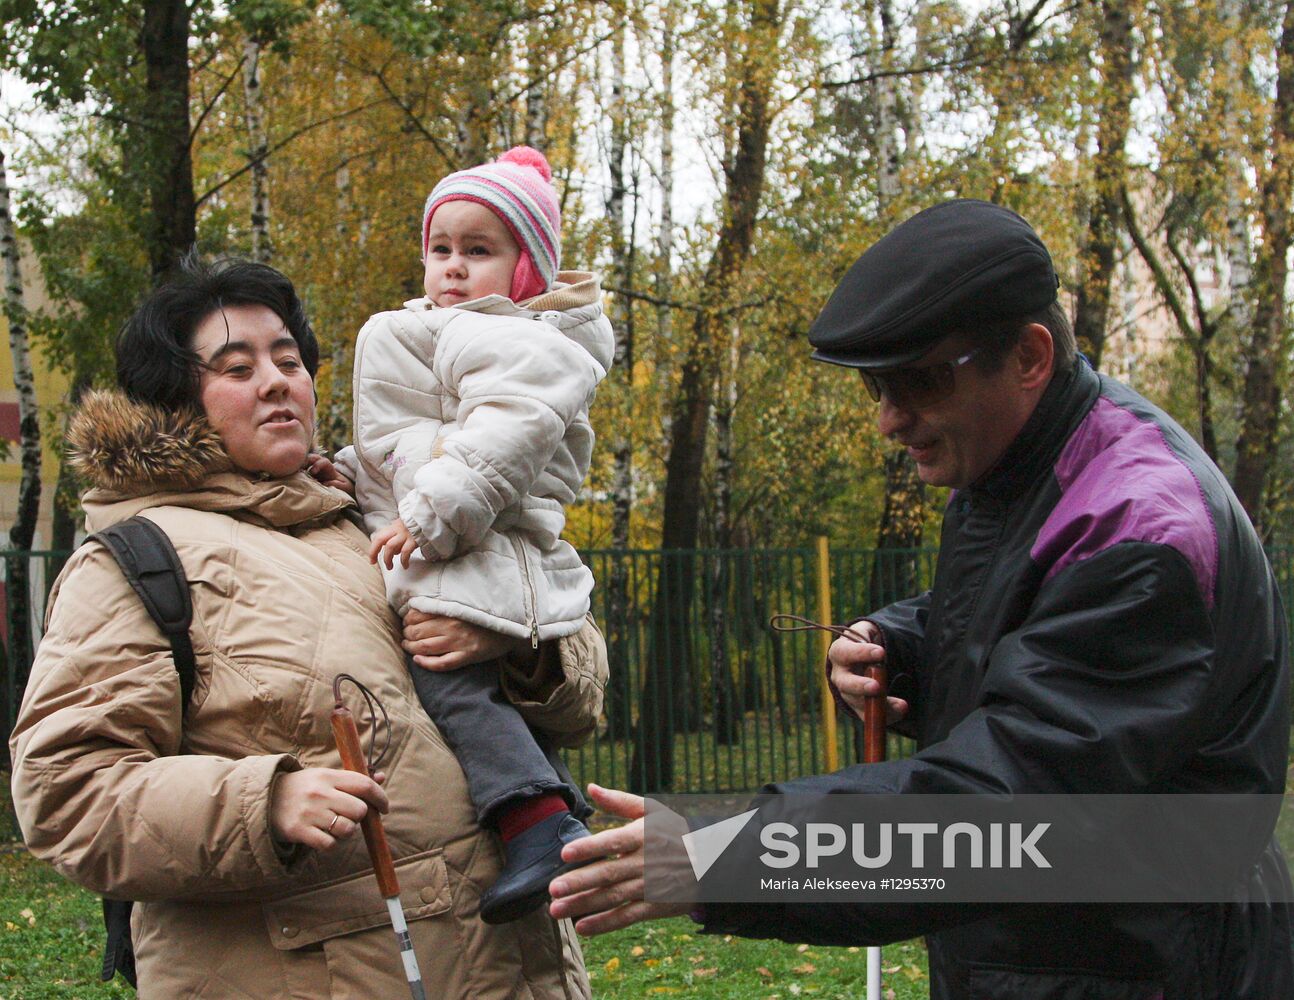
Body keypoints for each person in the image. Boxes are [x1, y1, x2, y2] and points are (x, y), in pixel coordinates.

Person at [547, 199, 1294, 999]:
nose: (890, 421)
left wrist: (719, 858)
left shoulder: (1142, 533)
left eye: (919, 383)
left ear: (1030, 356)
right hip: (1051, 955)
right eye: (878, 385)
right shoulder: (1026, 464)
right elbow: (1019, 617)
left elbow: (1008, 817)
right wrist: (898, 647)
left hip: (1144, 966)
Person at [8, 255, 608, 997]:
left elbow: (582, 702)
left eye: (288, 359)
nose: (276, 380)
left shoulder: (390, 515)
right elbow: (65, 791)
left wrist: (513, 639)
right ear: (176, 401)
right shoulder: (137, 559)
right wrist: (267, 800)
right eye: (236, 367)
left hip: (522, 971)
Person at [325, 145, 615, 924]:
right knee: (481, 688)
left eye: (478, 251)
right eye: (440, 248)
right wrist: (348, 476)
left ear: (525, 272)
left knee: (448, 677)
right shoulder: (452, 330)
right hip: (460, 530)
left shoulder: (515, 337)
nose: (452, 267)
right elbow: (407, 443)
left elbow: (503, 437)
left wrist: (429, 512)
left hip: (480, 538)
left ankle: (535, 821)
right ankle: (550, 823)